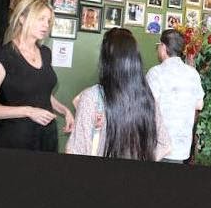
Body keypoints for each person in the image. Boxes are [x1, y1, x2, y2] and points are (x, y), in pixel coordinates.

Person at [0, 0, 74, 151]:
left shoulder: (45, 53)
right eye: (41, 19)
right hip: (17, 139)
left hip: (47, 136)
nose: (46, 25)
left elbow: (41, 93)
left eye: (48, 21)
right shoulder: (3, 57)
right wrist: (28, 111)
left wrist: (65, 110)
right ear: (22, 18)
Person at [66, 29, 170, 159]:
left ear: (105, 59)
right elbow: (165, 144)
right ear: (136, 60)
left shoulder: (91, 97)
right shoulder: (147, 97)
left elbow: (75, 150)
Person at [146, 30, 204, 163]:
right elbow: (199, 104)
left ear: (163, 47)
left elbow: (147, 106)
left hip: (159, 147)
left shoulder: (155, 73)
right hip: (182, 148)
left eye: (158, 46)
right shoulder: (193, 73)